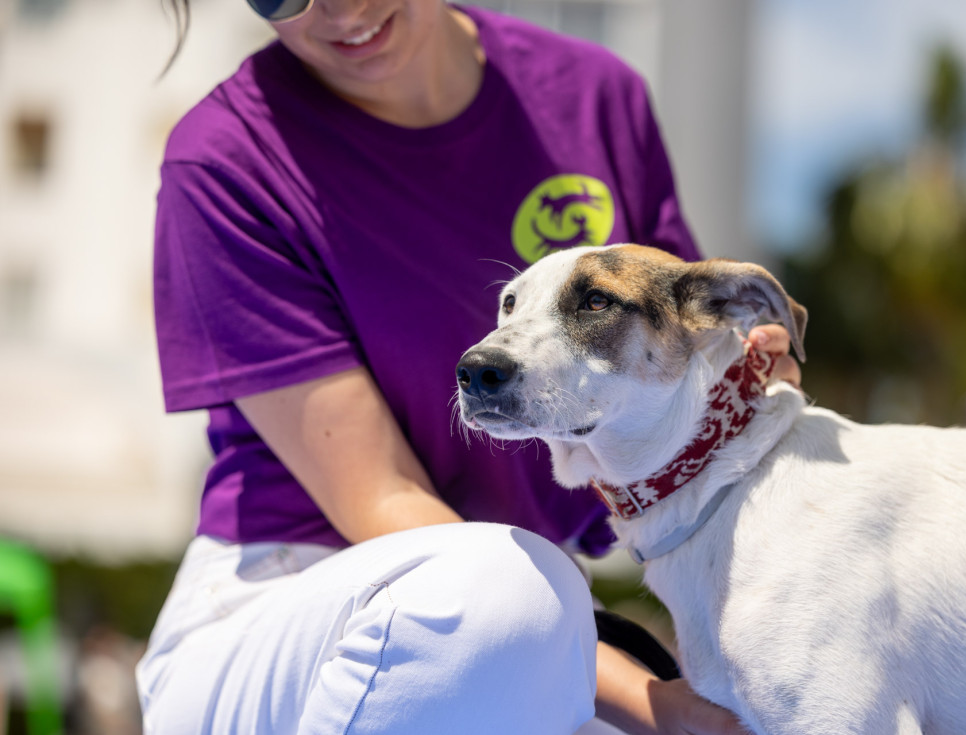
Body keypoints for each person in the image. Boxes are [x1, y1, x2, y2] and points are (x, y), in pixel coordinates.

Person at [137, 1, 800, 733]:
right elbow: (385, 502)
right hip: (294, 603)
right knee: (498, 597)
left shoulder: (595, 95)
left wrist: (753, 390)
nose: (339, 9)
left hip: (530, 619)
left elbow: (686, 381)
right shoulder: (226, 158)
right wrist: (649, 701)